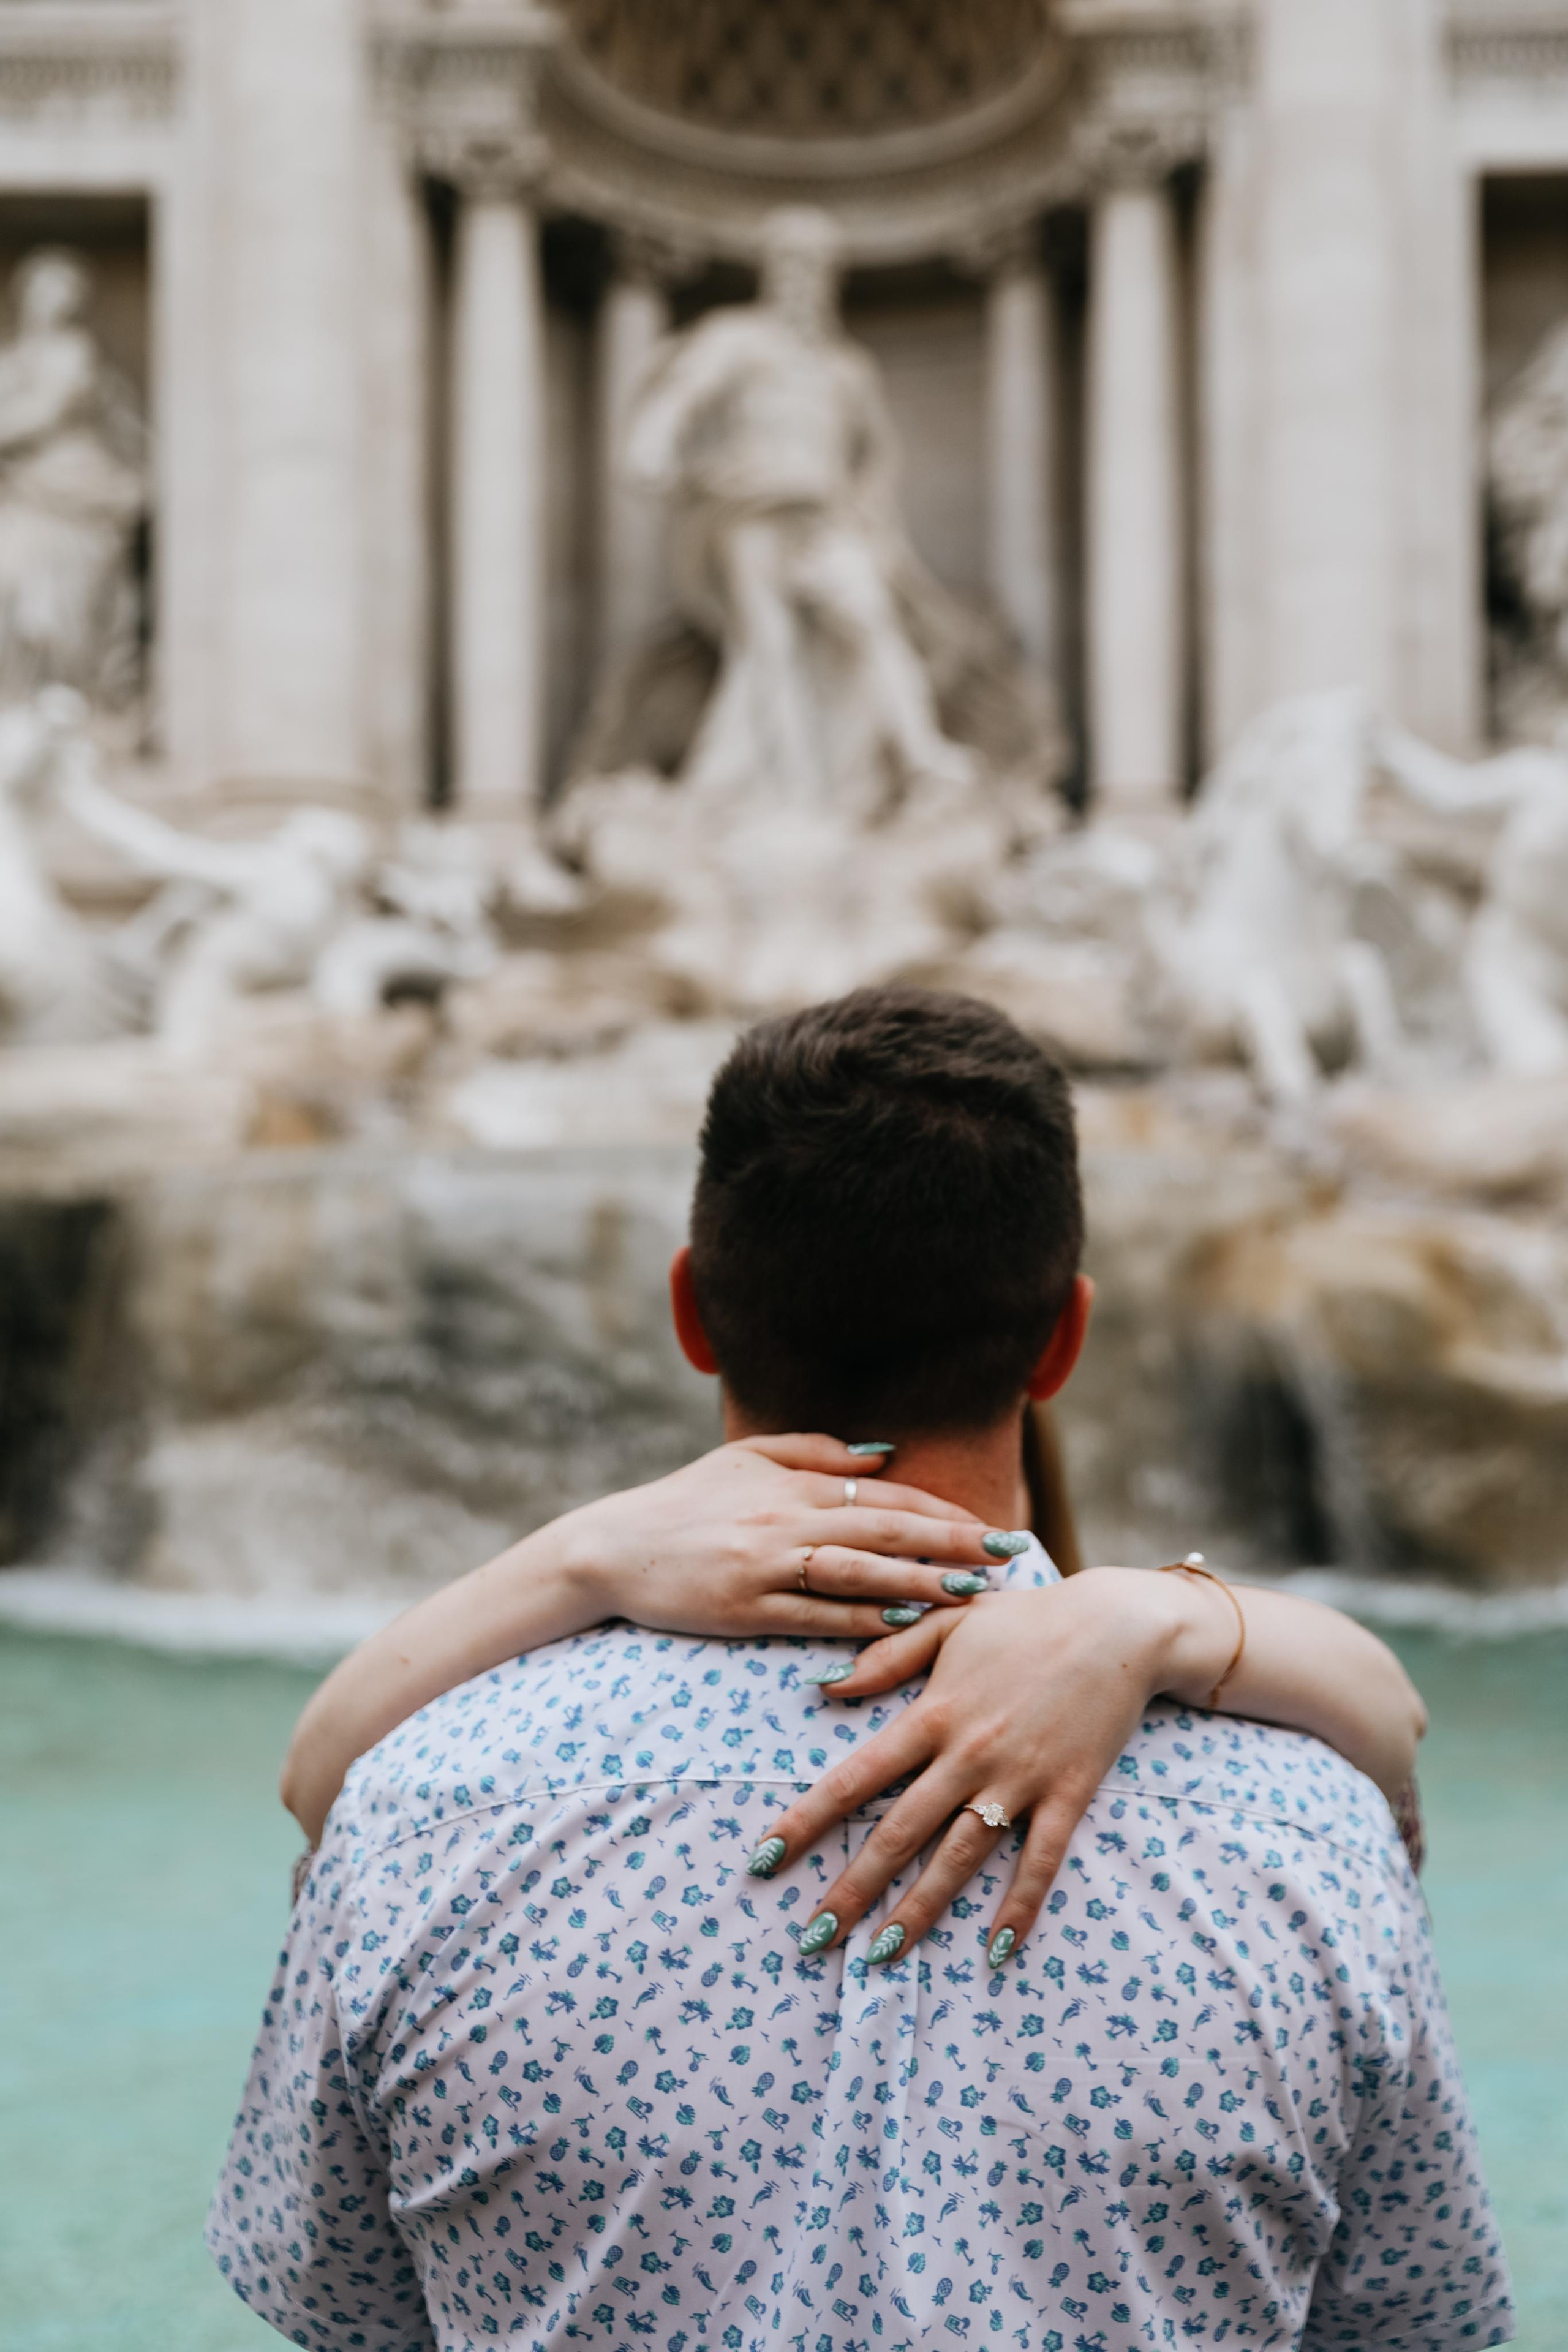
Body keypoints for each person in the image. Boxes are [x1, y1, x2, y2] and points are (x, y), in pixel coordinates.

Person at [209, 987, 1510, 2350]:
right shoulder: (1303, 1832)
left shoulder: (420, 1809)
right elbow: (1411, 2322)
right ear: (1063, 1335)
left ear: (691, 1311)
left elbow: (345, 2301)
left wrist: (574, 1559)